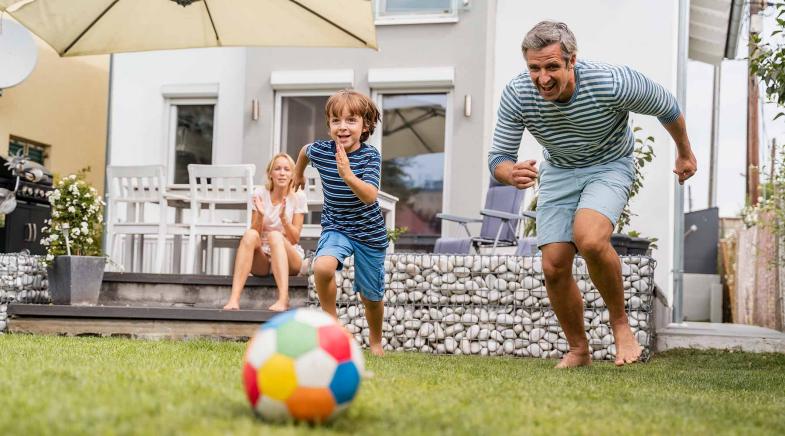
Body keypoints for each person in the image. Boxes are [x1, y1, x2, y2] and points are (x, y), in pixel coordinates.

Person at [489, 21, 697, 368]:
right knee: (554, 264)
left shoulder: (610, 82)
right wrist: (509, 172)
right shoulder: (517, 94)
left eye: (552, 66)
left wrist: (685, 153)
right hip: (558, 171)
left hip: (609, 164)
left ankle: (620, 325)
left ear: (572, 61)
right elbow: (499, 158)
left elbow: (667, 106)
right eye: (534, 68)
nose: (543, 78)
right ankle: (578, 349)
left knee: (589, 237)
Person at [293, 89, 388, 357]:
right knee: (322, 267)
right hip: (337, 226)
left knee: (371, 297)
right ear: (329, 125)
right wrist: (298, 173)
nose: (342, 127)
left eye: (351, 120)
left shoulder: (371, 156)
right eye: (336, 120)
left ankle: (376, 341)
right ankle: (332, 327)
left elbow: (369, 195)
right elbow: (304, 151)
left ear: (365, 126)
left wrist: (347, 175)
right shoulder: (322, 150)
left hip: (369, 233)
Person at [222, 153, 307, 311]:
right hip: (263, 260)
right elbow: (254, 234)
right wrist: (260, 215)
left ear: (293, 174)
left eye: (287, 169)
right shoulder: (259, 194)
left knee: (275, 235)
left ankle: (283, 299)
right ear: (270, 174)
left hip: (289, 257)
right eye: (277, 169)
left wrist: (284, 220)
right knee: (249, 234)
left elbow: (295, 239)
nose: (282, 173)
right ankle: (234, 299)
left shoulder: (298, 197)